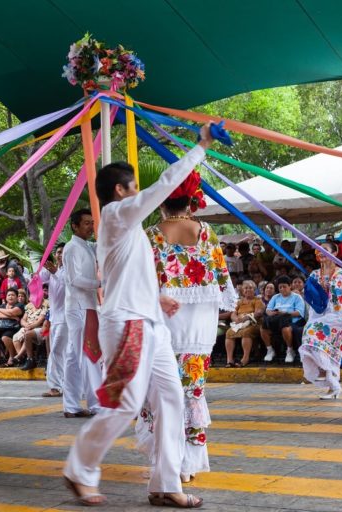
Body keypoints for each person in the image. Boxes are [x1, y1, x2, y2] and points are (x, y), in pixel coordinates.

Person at [63, 123, 214, 508]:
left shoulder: (129, 230)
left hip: (150, 323)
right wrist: (200, 147)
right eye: (134, 187)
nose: (140, 193)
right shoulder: (115, 215)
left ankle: (165, 484)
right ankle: (79, 470)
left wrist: (159, 299)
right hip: (128, 323)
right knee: (126, 401)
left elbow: (128, 275)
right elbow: (163, 184)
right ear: (121, 190)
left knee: (171, 398)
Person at [134, 168, 236, 484]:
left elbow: (140, 280)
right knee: (192, 387)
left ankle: (167, 461)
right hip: (199, 325)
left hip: (164, 318)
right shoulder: (206, 232)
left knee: (161, 390)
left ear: (163, 200)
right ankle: (188, 463)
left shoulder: (151, 234)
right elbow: (223, 280)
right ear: (190, 201)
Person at [298, 242, 342, 400]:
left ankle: (325, 373)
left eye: (325, 250)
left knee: (315, 338)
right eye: (318, 250)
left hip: (337, 315)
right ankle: (333, 385)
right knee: (310, 339)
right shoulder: (314, 275)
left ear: (335, 253)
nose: (321, 252)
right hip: (318, 314)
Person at [62, 209, 103, 418]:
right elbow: (75, 279)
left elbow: (104, 247)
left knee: (80, 355)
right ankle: (86, 405)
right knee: (83, 355)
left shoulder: (87, 246)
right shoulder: (71, 248)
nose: (90, 226)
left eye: (92, 222)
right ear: (74, 226)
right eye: (86, 223)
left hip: (88, 306)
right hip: (78, 307)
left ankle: (73, 405)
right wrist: (100, 283)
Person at [40, 244, 67, 397]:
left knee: (57, 351)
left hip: (66, 318)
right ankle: (59, 385)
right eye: (58, 252)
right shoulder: (51, 271)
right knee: (57, 352)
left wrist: (55, 272)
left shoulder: (70, 270)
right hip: (55, 318)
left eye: (63, 252)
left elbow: (70, 285)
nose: (60, 255)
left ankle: (57, 386)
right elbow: (37, 278)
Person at [261, 276, 306, 363]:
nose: (282, 289)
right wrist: (272, 313)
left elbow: (299, 313)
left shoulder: (297, 297)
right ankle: (270, 350)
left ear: (290, 286)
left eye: (284, 286)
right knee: (263, 329)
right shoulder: (275, 297)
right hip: (276, 320)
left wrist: (284, 313)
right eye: (280, 287)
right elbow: (268, 309)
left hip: (292, 321)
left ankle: (290, 350)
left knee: (285, 329)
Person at [224, 283, 264, 366]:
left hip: (253, 324)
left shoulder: (257, 300)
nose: (248, 290)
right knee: (229, 332)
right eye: (246, 288)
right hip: (239, 324)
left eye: (250, 288)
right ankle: (229, 360)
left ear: (254, 290)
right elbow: (233, 313)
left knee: (246, 332)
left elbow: (258, 313)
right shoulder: (239, 302)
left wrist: (246, 318)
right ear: (243, 291)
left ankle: (245, 359)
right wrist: (236, 319)